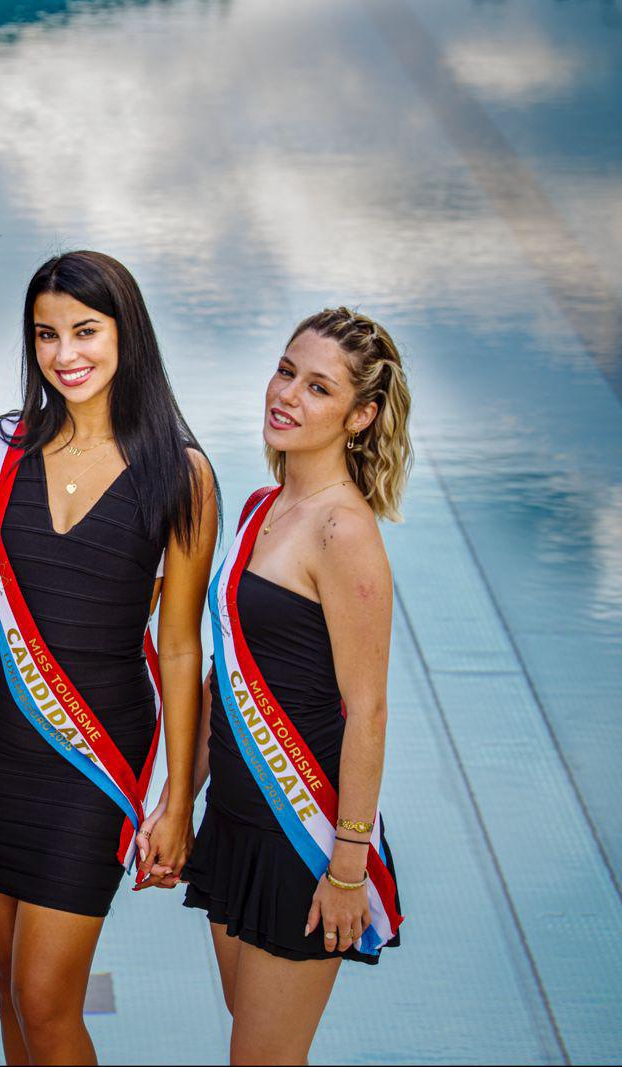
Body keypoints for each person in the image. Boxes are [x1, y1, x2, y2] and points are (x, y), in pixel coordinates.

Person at [0, 251, 217, 1064]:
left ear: (124, 333)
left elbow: (178, 646)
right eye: (46, 335)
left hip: (94, 760)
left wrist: (176, 799)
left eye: (85, 331)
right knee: (10, 993)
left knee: (46, 996)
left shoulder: (181, 474)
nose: (65, 353)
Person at [175, 307, 409, 1063]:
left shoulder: (346, 533)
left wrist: (347, 867)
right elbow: (223, 682)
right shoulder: (259, 509)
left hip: (302, 836)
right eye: (285, 371)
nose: (287, 395)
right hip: (235, 824)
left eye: (317, 387)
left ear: (361, 415)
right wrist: (178, 803)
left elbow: (368, 712)